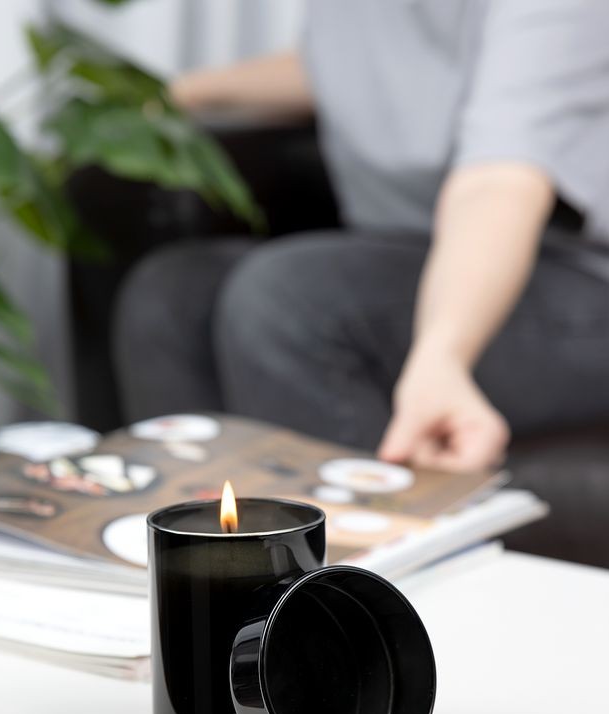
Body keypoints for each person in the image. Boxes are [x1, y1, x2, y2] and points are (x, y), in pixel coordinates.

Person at [113, 0, 609, 472]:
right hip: (405, 254)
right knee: (171, 293)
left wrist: (442, 355)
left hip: (574, 280)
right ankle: (200, 526)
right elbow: (356, 68)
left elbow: (498, 183)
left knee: (291, 297)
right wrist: (180, 92)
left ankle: (366, 531)